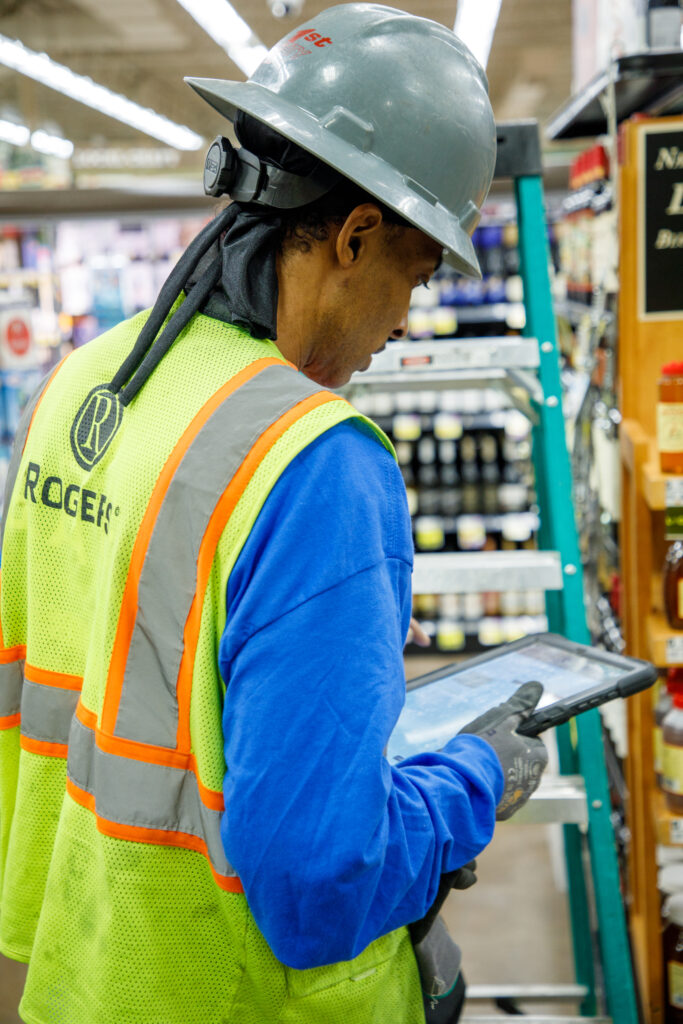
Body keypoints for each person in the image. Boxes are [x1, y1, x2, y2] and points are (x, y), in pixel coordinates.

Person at [0, 6, 548, 1023]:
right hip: (241, 994)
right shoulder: (316, 464)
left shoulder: (83, 384)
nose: (401, 322)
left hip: (88, 973)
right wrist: (474, 778)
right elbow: (314, 887)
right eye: (415, 276)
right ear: (353, 234)